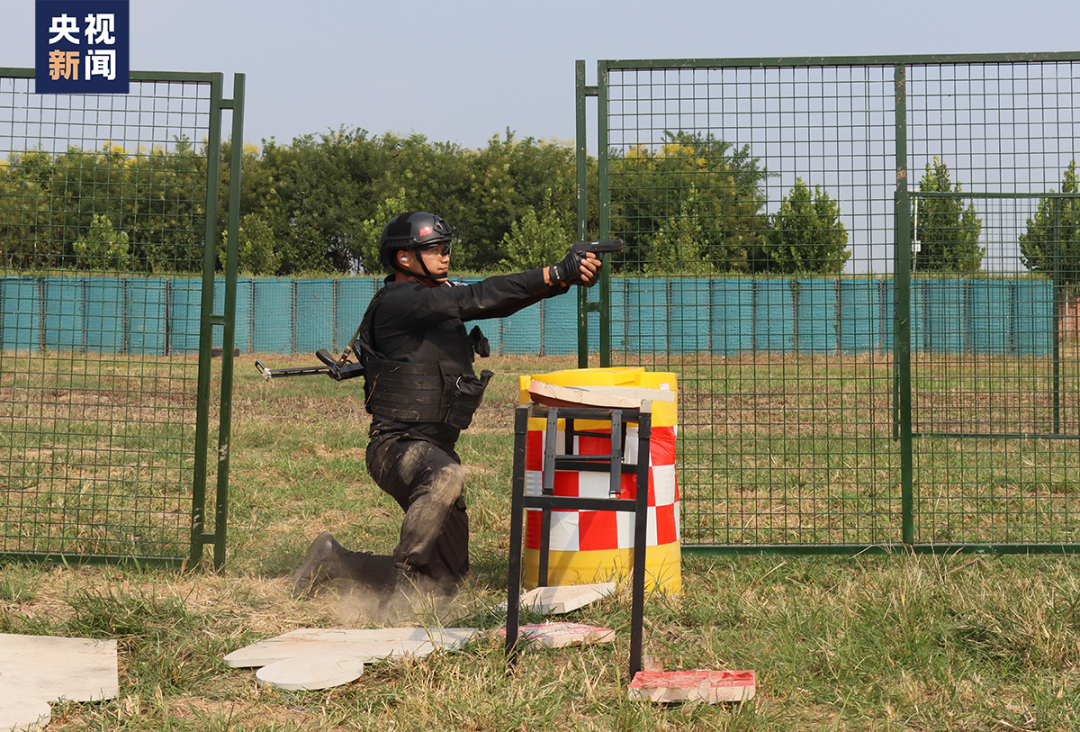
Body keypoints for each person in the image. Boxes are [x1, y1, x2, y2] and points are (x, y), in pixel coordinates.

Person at [293, 211, 602, 604]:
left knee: (445, 578)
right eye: (434, 250)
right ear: (404, 258)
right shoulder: (399, 301)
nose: (445, 256)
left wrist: (562, 279)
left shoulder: (431, 298)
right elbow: (473, 297)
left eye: (445, 248)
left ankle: (334, 560)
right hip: (396, 446)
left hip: (434, 446)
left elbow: (494, 302)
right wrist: (554, 271)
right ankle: (401, 593)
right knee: (446, 477)